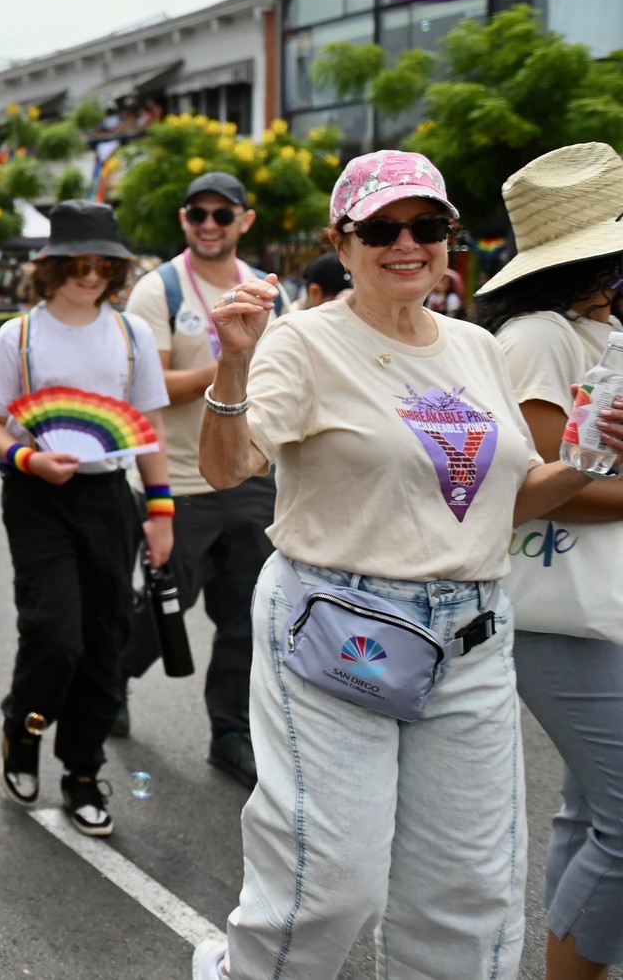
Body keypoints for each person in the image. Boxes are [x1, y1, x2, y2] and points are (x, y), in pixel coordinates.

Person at [192, 150, 621, 980]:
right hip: (337, 625)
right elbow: (226, 466)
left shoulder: (475, 346)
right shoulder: (304, 341)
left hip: (470, 633)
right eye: (382, 227)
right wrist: (234, 361)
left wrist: (587, 462)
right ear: (341, 241)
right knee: (329, 883)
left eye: (427, 226)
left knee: (468, 900)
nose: (407, 243)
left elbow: (502, 498)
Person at [0, 201, 171, 838]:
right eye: (78, 262)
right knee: (56, 632)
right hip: (38, 497)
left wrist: (161, 511)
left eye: (103, 264)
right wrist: (28, 457)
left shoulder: (131, 334)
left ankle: (82, 770)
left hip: (111, 496)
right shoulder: (18, 336)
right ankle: (22, 727)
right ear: (52, 265)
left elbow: (151, 430)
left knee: (107, 638)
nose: (91, 275)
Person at [475, 143, 623, 980]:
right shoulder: (537, 337)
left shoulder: (592, 327)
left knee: (589, 809)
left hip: (593, 603)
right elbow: (544, 486)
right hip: (555, 610)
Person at [116, 171, 272, 787]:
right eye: (198, 213)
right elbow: (147, 386)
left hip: (250, 474)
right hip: (177, 481)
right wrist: (231, 360)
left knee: (249, 615)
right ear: (184, 220)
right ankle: (113, 678)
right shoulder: (160, 290)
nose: (210, 224)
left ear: (244, 221)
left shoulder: (264, 291)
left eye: (222, 214)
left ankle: (230, 731)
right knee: (164, 611)